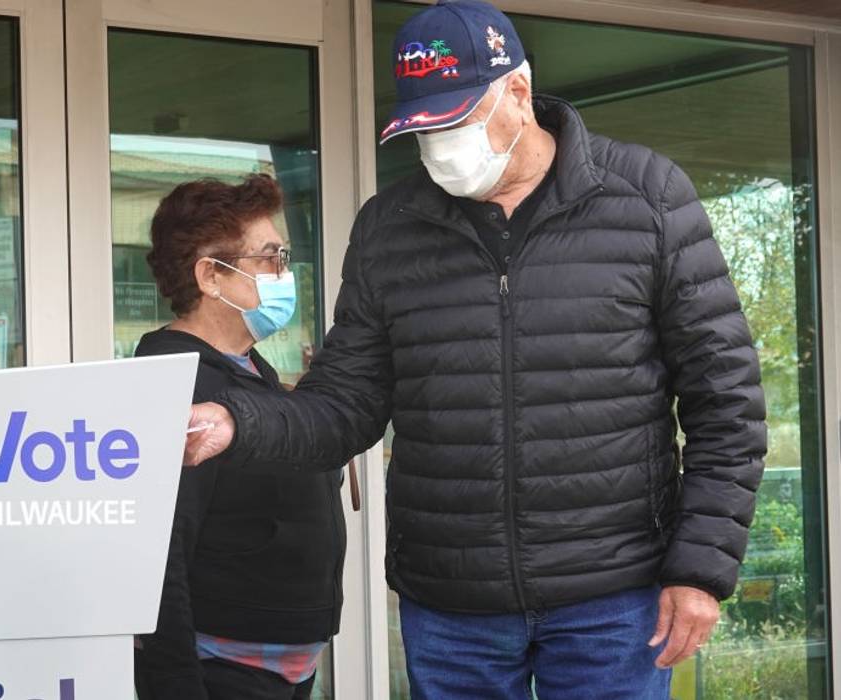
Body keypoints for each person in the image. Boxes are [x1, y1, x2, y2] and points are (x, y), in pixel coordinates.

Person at [183, 2, 766, 698]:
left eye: (456, 122)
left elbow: (724, 399)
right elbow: (344, 403)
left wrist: (698, 570)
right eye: (424, 129)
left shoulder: (644, 198)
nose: (438, 148)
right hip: (450, 603)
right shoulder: (389, 229)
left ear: (517, 93)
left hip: (613, 595)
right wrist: (237, 422)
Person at [133, 175, 345, 700]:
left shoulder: (249, 370)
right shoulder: (177, 384)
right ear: (211, 275)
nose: (284, 273)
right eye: (270, 258)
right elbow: (161, 562)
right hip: (222, 670)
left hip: (281, 666)